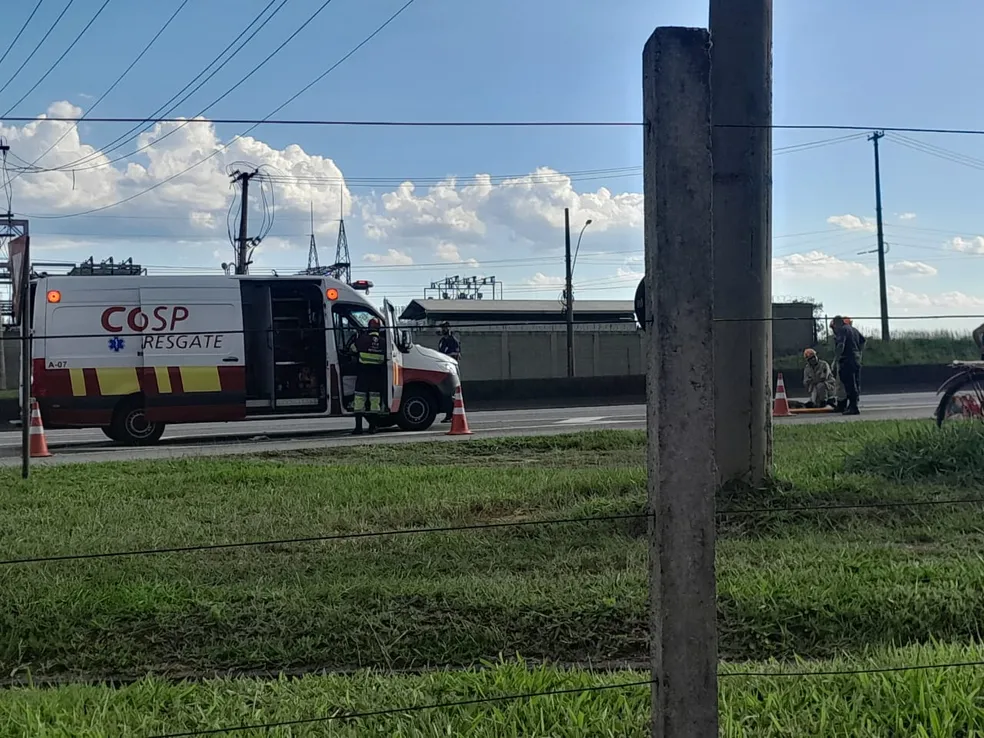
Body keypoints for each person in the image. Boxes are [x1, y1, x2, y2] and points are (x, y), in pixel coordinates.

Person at [351, 317, 387, 435]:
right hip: (376, 375)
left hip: (363, 374)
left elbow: (352, 349)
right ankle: (373, 427)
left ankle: (358, 428)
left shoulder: (362, 339)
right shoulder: (383, 342)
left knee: (359, 400)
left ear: (369, 327)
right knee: (375, 401)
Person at [831, 315, 866, 415]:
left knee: (849, 384)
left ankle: (853, 407)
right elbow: (863, 341)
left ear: (836, 324)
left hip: (847, 360)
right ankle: (852, 405)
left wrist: (835, 360)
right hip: (856, 359)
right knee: (855, 382)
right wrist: (859, 353)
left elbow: (841, 345)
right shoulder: (853, 329)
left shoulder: (842, 330)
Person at [437, 321, 461, 423]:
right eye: (442, 328)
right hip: (443, 368)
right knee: (445, 393)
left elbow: (457, 355)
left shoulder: (453, 341)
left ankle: (451, 415)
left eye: (445, 328)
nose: (443, 330)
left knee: (450, 393)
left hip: (450, 369)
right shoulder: (442, 340)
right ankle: (449, 414)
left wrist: (448, 356)